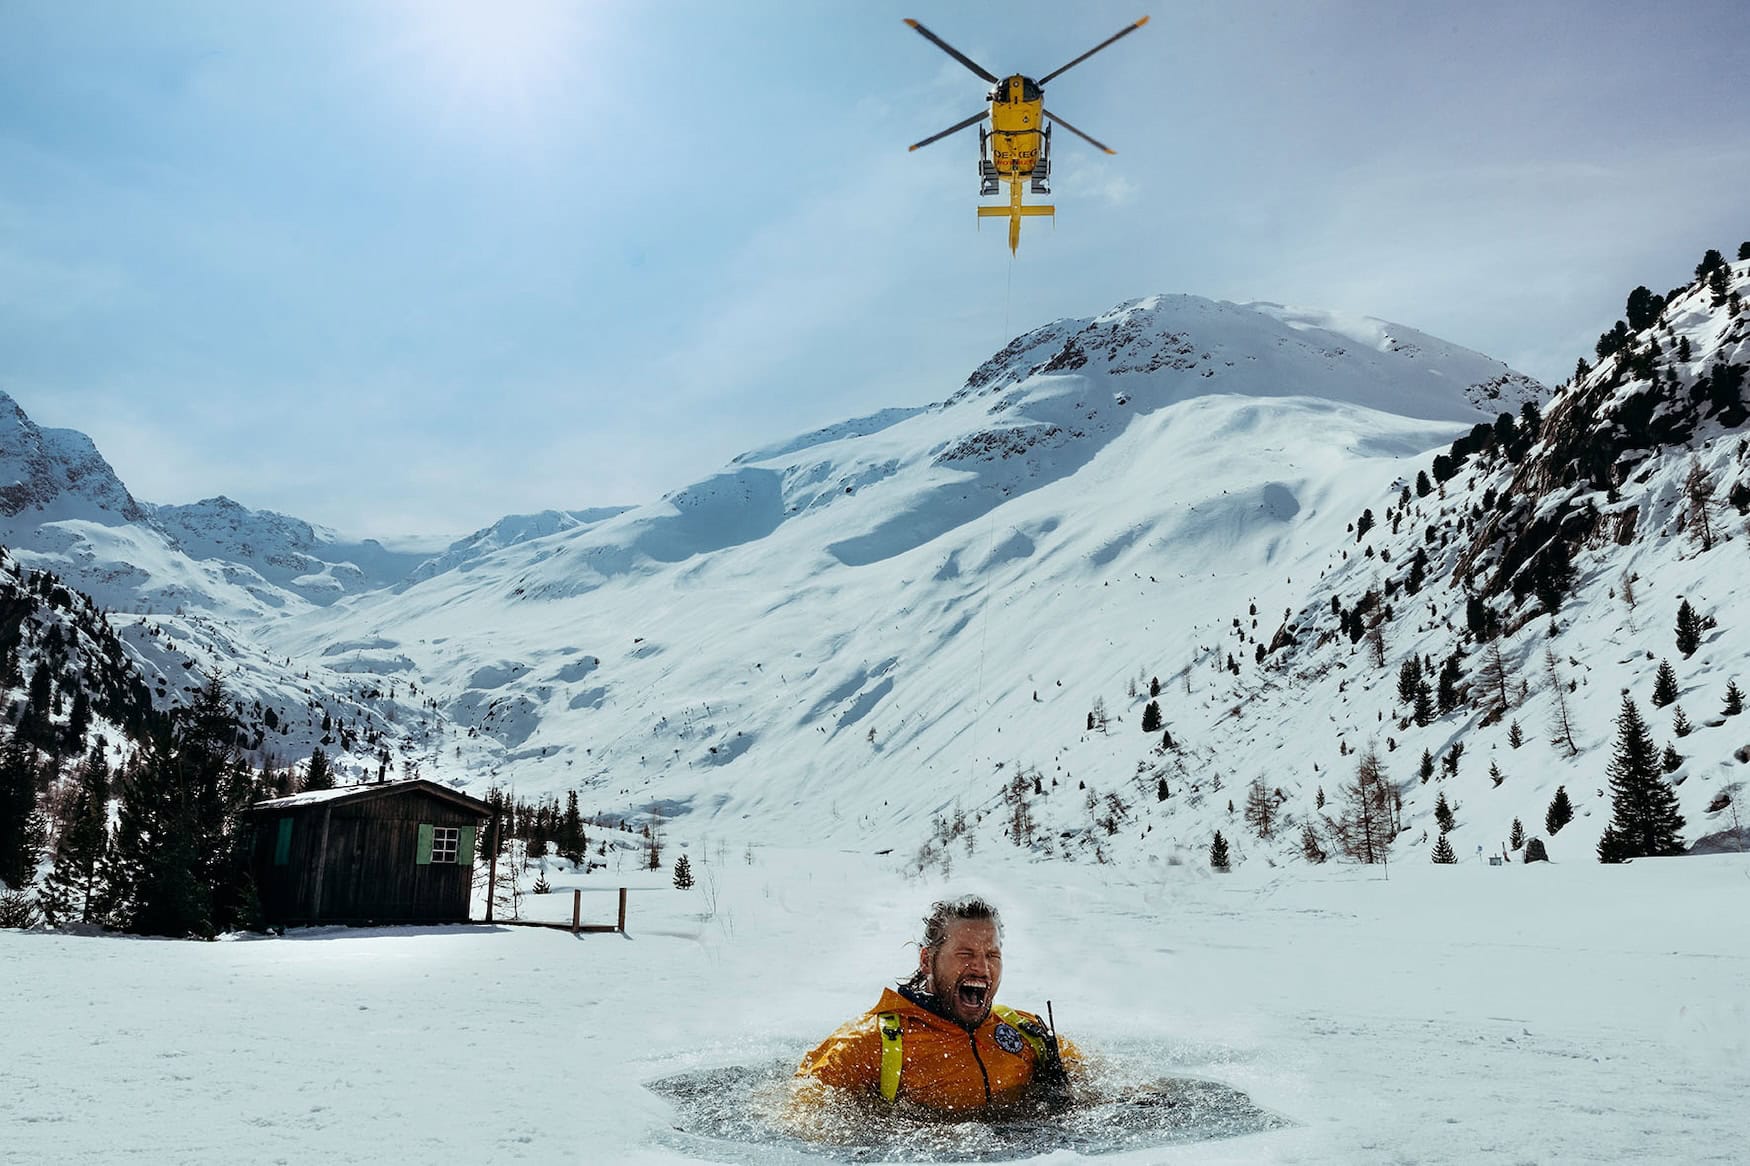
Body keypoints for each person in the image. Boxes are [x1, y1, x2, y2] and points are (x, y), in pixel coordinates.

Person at [795, 894, 1077, 1114]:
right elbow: (799, 1114)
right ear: (927, 961)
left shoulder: (1027, 1034)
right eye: (965, 953)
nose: (982, 968)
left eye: (992, 955)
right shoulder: (871, 1042)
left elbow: (1098, 1088)